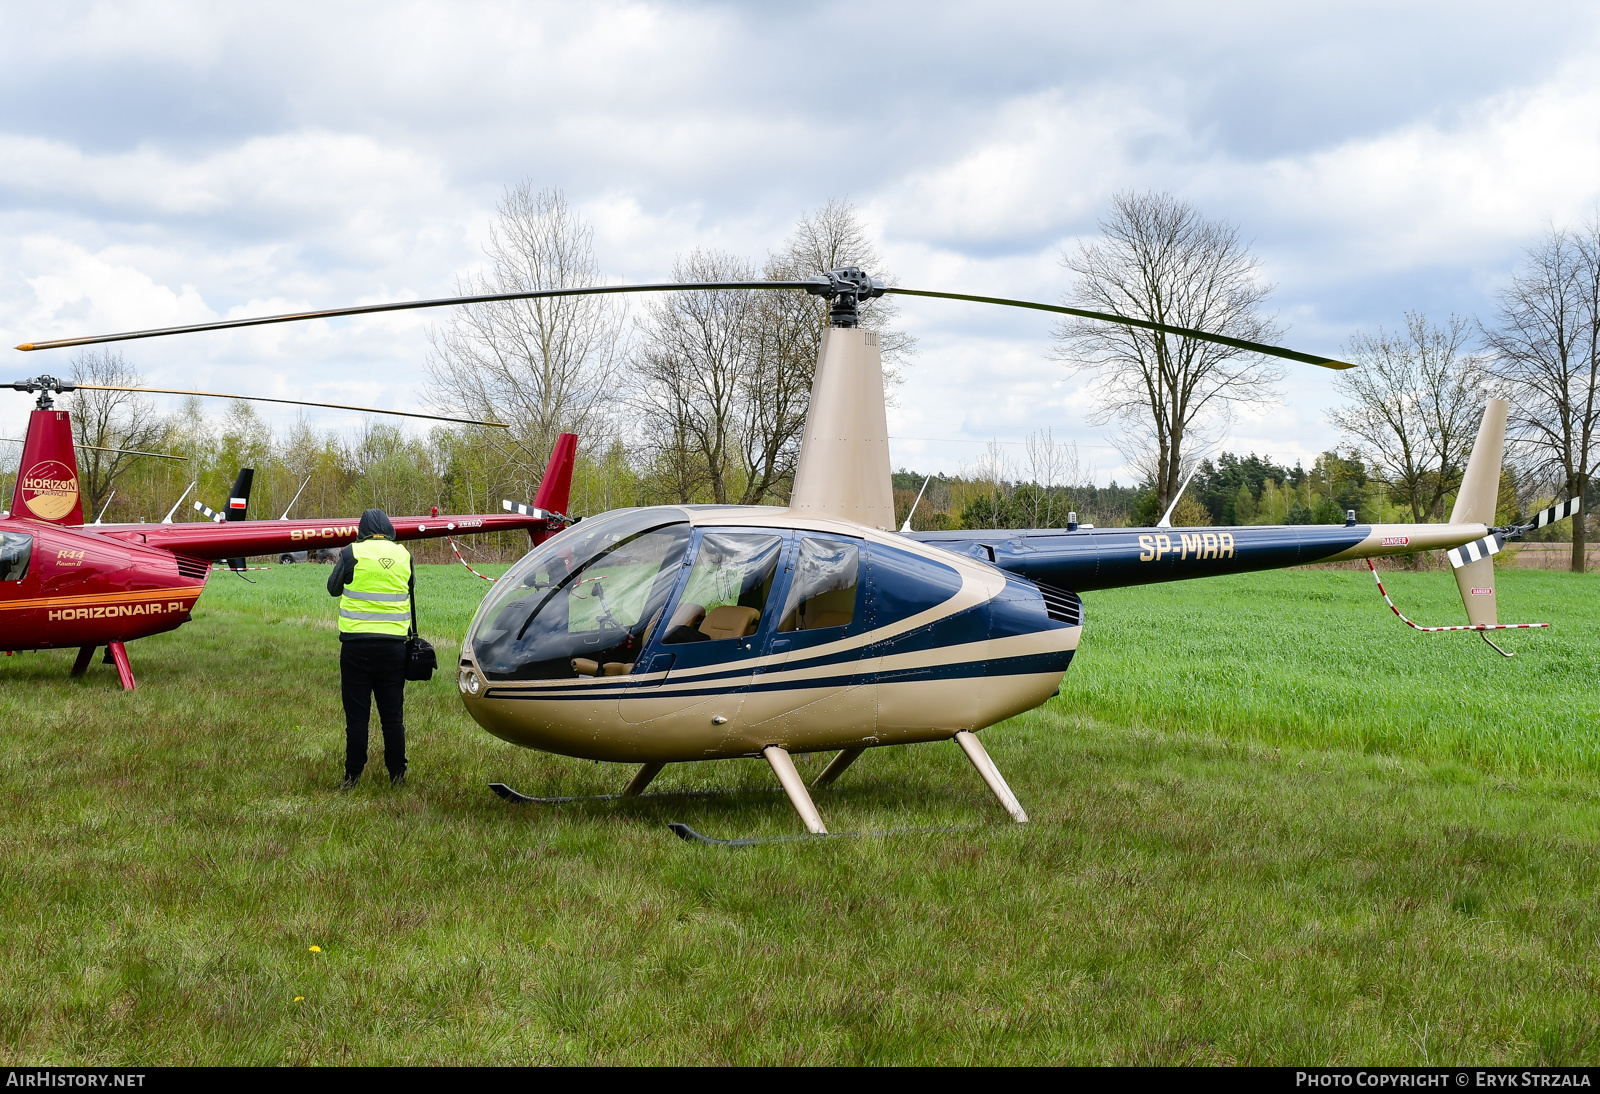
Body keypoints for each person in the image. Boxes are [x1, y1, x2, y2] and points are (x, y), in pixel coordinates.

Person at [327, 509, 414, 787]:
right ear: (389, 528)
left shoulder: (350, 553)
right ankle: (397, 775)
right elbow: (410, 589)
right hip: (394, 649)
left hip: (356, 648)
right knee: (392, 716)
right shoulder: (404, 555)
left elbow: (333, 588)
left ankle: (352, 776)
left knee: (357, 717)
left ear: (361, 529)